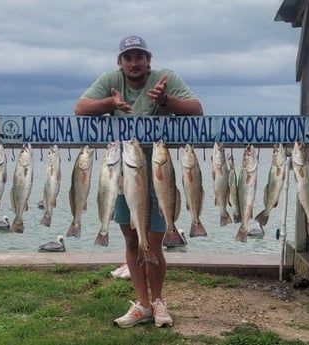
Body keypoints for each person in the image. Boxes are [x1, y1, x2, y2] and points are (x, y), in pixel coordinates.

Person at [75, 35, 203, 328]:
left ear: (149, 60)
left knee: (154, 242)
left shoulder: (164, 78)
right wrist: (110, 102)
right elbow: (80, 109)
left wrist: (165, 101)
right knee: (132, 239)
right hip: (123, 175)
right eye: (128, 58)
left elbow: (197, 110)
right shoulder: (111, 80)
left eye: (139, 57)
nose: (134, 63)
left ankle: (158, 301)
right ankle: (142, 304)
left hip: (159, 175)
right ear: (120, 63)